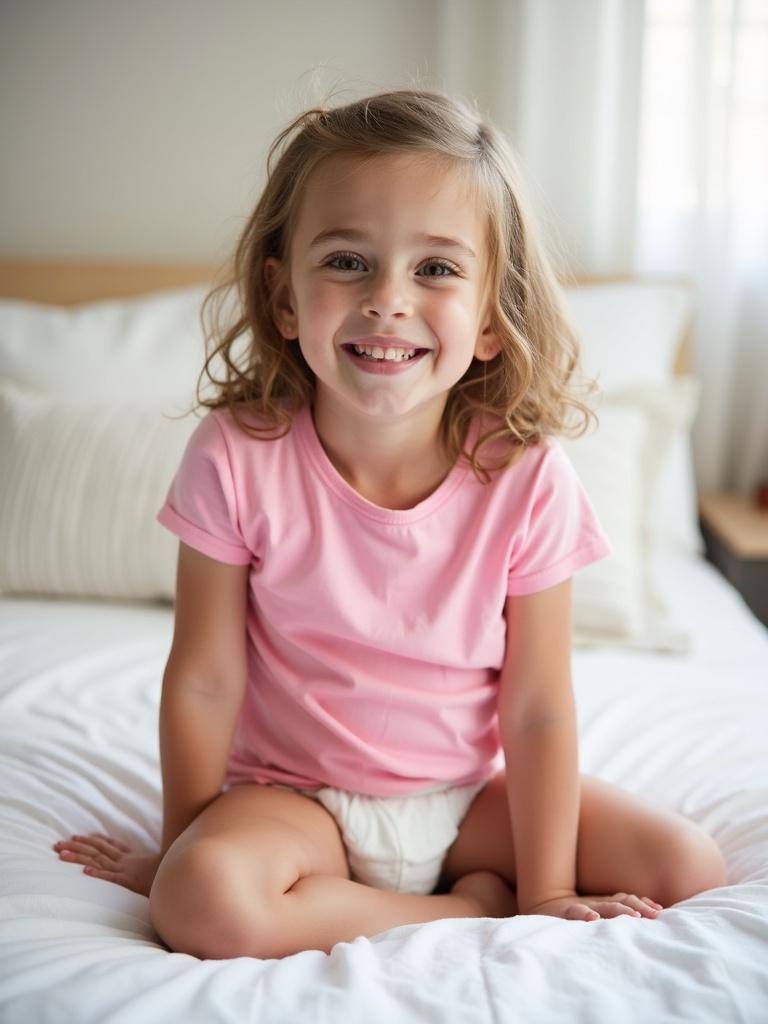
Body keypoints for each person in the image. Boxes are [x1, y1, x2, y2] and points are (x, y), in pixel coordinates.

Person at [53, 89, 727, 959]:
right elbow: (205, 680)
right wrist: (179, 843)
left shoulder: (525, 476)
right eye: (346, 262)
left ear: (491, 317)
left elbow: (538, 710)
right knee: (200, 901)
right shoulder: (236, 455)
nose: (388, 299)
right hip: (298, 803)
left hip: (468, 801)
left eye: (436, 269)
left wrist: (552, 883)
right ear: (285, 296)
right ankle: (474, 913)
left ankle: (461, 890)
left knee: (689, 868)